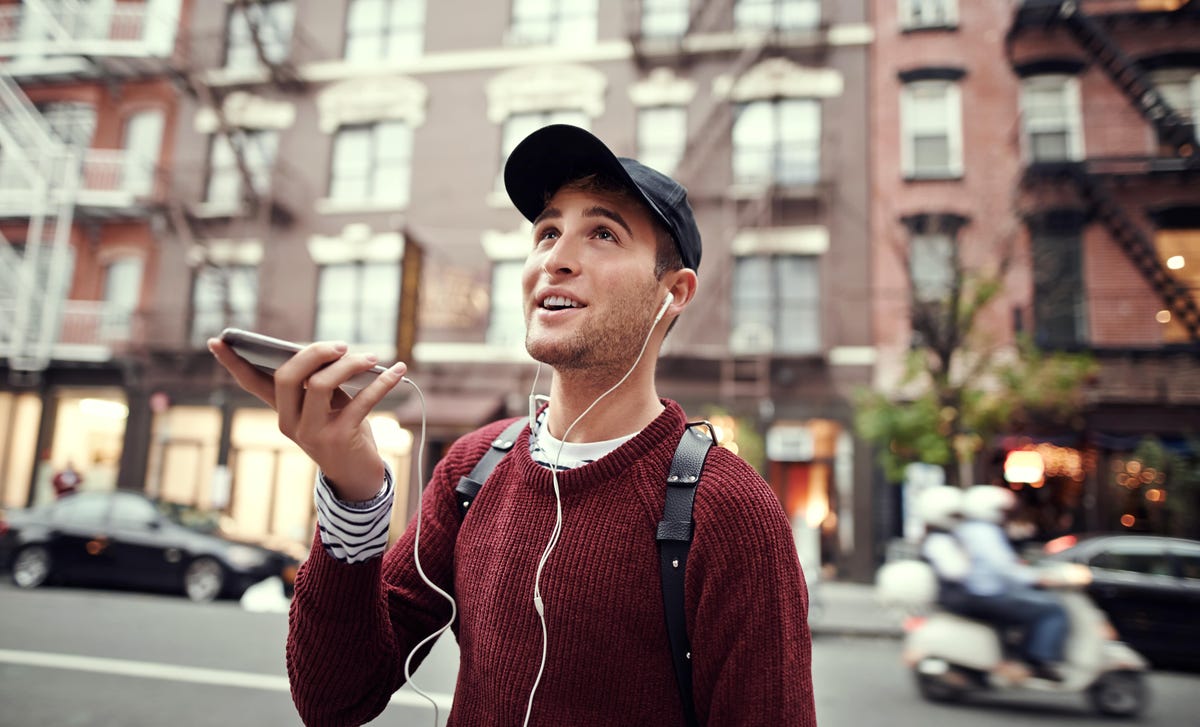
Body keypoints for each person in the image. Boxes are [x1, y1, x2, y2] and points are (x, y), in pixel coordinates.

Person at [208, 124, 816, 726]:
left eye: (602, 233)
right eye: (547, 232)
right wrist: (354, 495)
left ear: (674, 292)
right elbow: (334, 699)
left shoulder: (729, 508)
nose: (556, 258)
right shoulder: (475, 467)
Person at [956, 484, 1069, 681]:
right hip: (988, 594)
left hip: (986, 592)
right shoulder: (983, 533)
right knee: (1053, 609)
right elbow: (1003, 568)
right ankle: (1039, 659)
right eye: (1002, 510)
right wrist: (1036, 578)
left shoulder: (974, 530)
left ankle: (1020, 656)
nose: (1005, 515)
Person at [913, 485, 970, 614]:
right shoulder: (939, 541)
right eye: (955, 515)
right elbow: (956, 572)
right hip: (953, 601)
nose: (959, 520)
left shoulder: (942, 538)